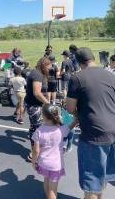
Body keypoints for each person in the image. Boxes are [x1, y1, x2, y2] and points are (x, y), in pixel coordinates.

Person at [66, 47, 115, 199]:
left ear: (79, 62)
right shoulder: (110, 75)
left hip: (93, 134)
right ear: (93, 58)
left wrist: (78, 115)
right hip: (112, 131)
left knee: (91, 183)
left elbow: (70, 107)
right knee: (103, 176)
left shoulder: (77, 77)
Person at [32, 104, 77, 199]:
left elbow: (36, 150)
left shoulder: (39, 131)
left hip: (43, 162)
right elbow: (71, 125)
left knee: (46, 181)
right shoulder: (61, 129)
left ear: (43, 116)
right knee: (53, 190)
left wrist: (34, 162)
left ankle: (48, 196)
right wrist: (76, 118)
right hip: (56, 165)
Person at [25, 57, 52, 161]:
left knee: (34, 128)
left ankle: (34, 151)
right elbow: (37, 93)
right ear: (44, 66)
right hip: (35, 106)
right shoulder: (37, 74)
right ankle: (34, 154)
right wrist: (47, 103)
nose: (50, 69)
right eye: (49, 67)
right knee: (39, 130)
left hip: (34, 105)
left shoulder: (37, 73)